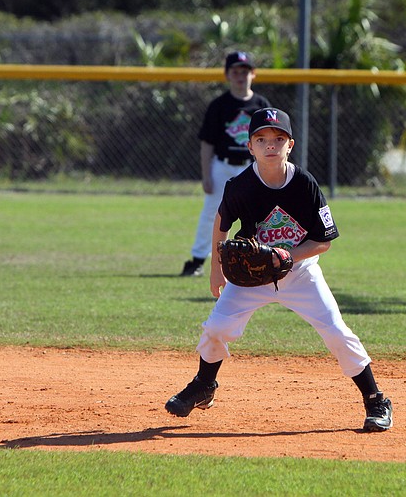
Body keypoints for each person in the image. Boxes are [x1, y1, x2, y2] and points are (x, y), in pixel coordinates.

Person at [166, 107, 393, 432]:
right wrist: (217, 268)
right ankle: (204, 385)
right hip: (252, 274)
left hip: (300, 272)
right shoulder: (240, 185)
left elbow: (324, 241)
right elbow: (222, 221)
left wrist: (289, 255)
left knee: (335, 330)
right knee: (216, 327)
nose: (270, 145)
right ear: (250, 147)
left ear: (290, 145)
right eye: (261, 139)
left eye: (278, 138)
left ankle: (376, 400)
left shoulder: (305, 185)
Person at [180, 51, 272, 277]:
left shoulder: (261, 105)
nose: (241, 76)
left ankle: (261, 256)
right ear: (227, 75)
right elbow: (207, 142)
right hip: (223, 166)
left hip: (253, 167)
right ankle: (198, 259)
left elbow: (271, 142)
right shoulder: (219, 105)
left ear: (253, 74)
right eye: (236, 72)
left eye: (245, 71)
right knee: (212, 211)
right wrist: (206, 175)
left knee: (261, 213)